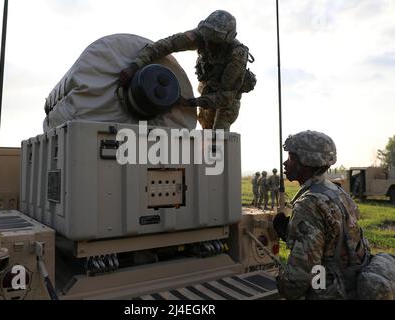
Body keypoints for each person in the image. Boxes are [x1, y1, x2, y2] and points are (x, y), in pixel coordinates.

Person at [118, 10, 255, 131]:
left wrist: (190, 102)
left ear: (227, 39)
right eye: (207, 37)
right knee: (206, 129)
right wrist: (135, 66)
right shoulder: (202, 35)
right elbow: (167, 45)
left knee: (219, 136)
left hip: (228, 96)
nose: (208, 44)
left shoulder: (237, 55)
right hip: (209, 85)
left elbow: (226, 96)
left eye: (214, 41)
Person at [273, 130, 371, 300]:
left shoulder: (308, 204)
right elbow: (334, 239)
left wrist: (281, 284)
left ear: (305, 162)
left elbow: (299, 279)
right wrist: (291, 233)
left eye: (291, 158)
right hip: (354, 283)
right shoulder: (336, 191)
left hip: (333, 291)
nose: (285, 163)